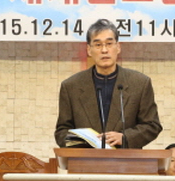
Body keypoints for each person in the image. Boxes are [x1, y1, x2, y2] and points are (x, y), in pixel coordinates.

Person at [55, 18, 162, 149]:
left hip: (127, 159)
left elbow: (152, 125)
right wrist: (85, 141)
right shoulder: (71, 86)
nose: (104, 50)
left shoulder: (140, 83)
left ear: (118, 47)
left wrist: (125, 137)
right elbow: (61, 132)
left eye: (109, 44)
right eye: (98, 45)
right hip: (86, 159)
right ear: (89, 50)